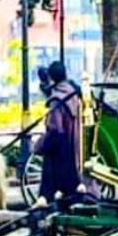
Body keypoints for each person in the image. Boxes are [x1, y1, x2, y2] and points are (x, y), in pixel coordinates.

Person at [35, 60, 82, 203]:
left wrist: (39, 145)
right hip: (73, 143)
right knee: (70, 190)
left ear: (51, 78)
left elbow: (55, 130)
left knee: (49, 190)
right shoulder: (73, 93)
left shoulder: (57, 99)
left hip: (59, 150)